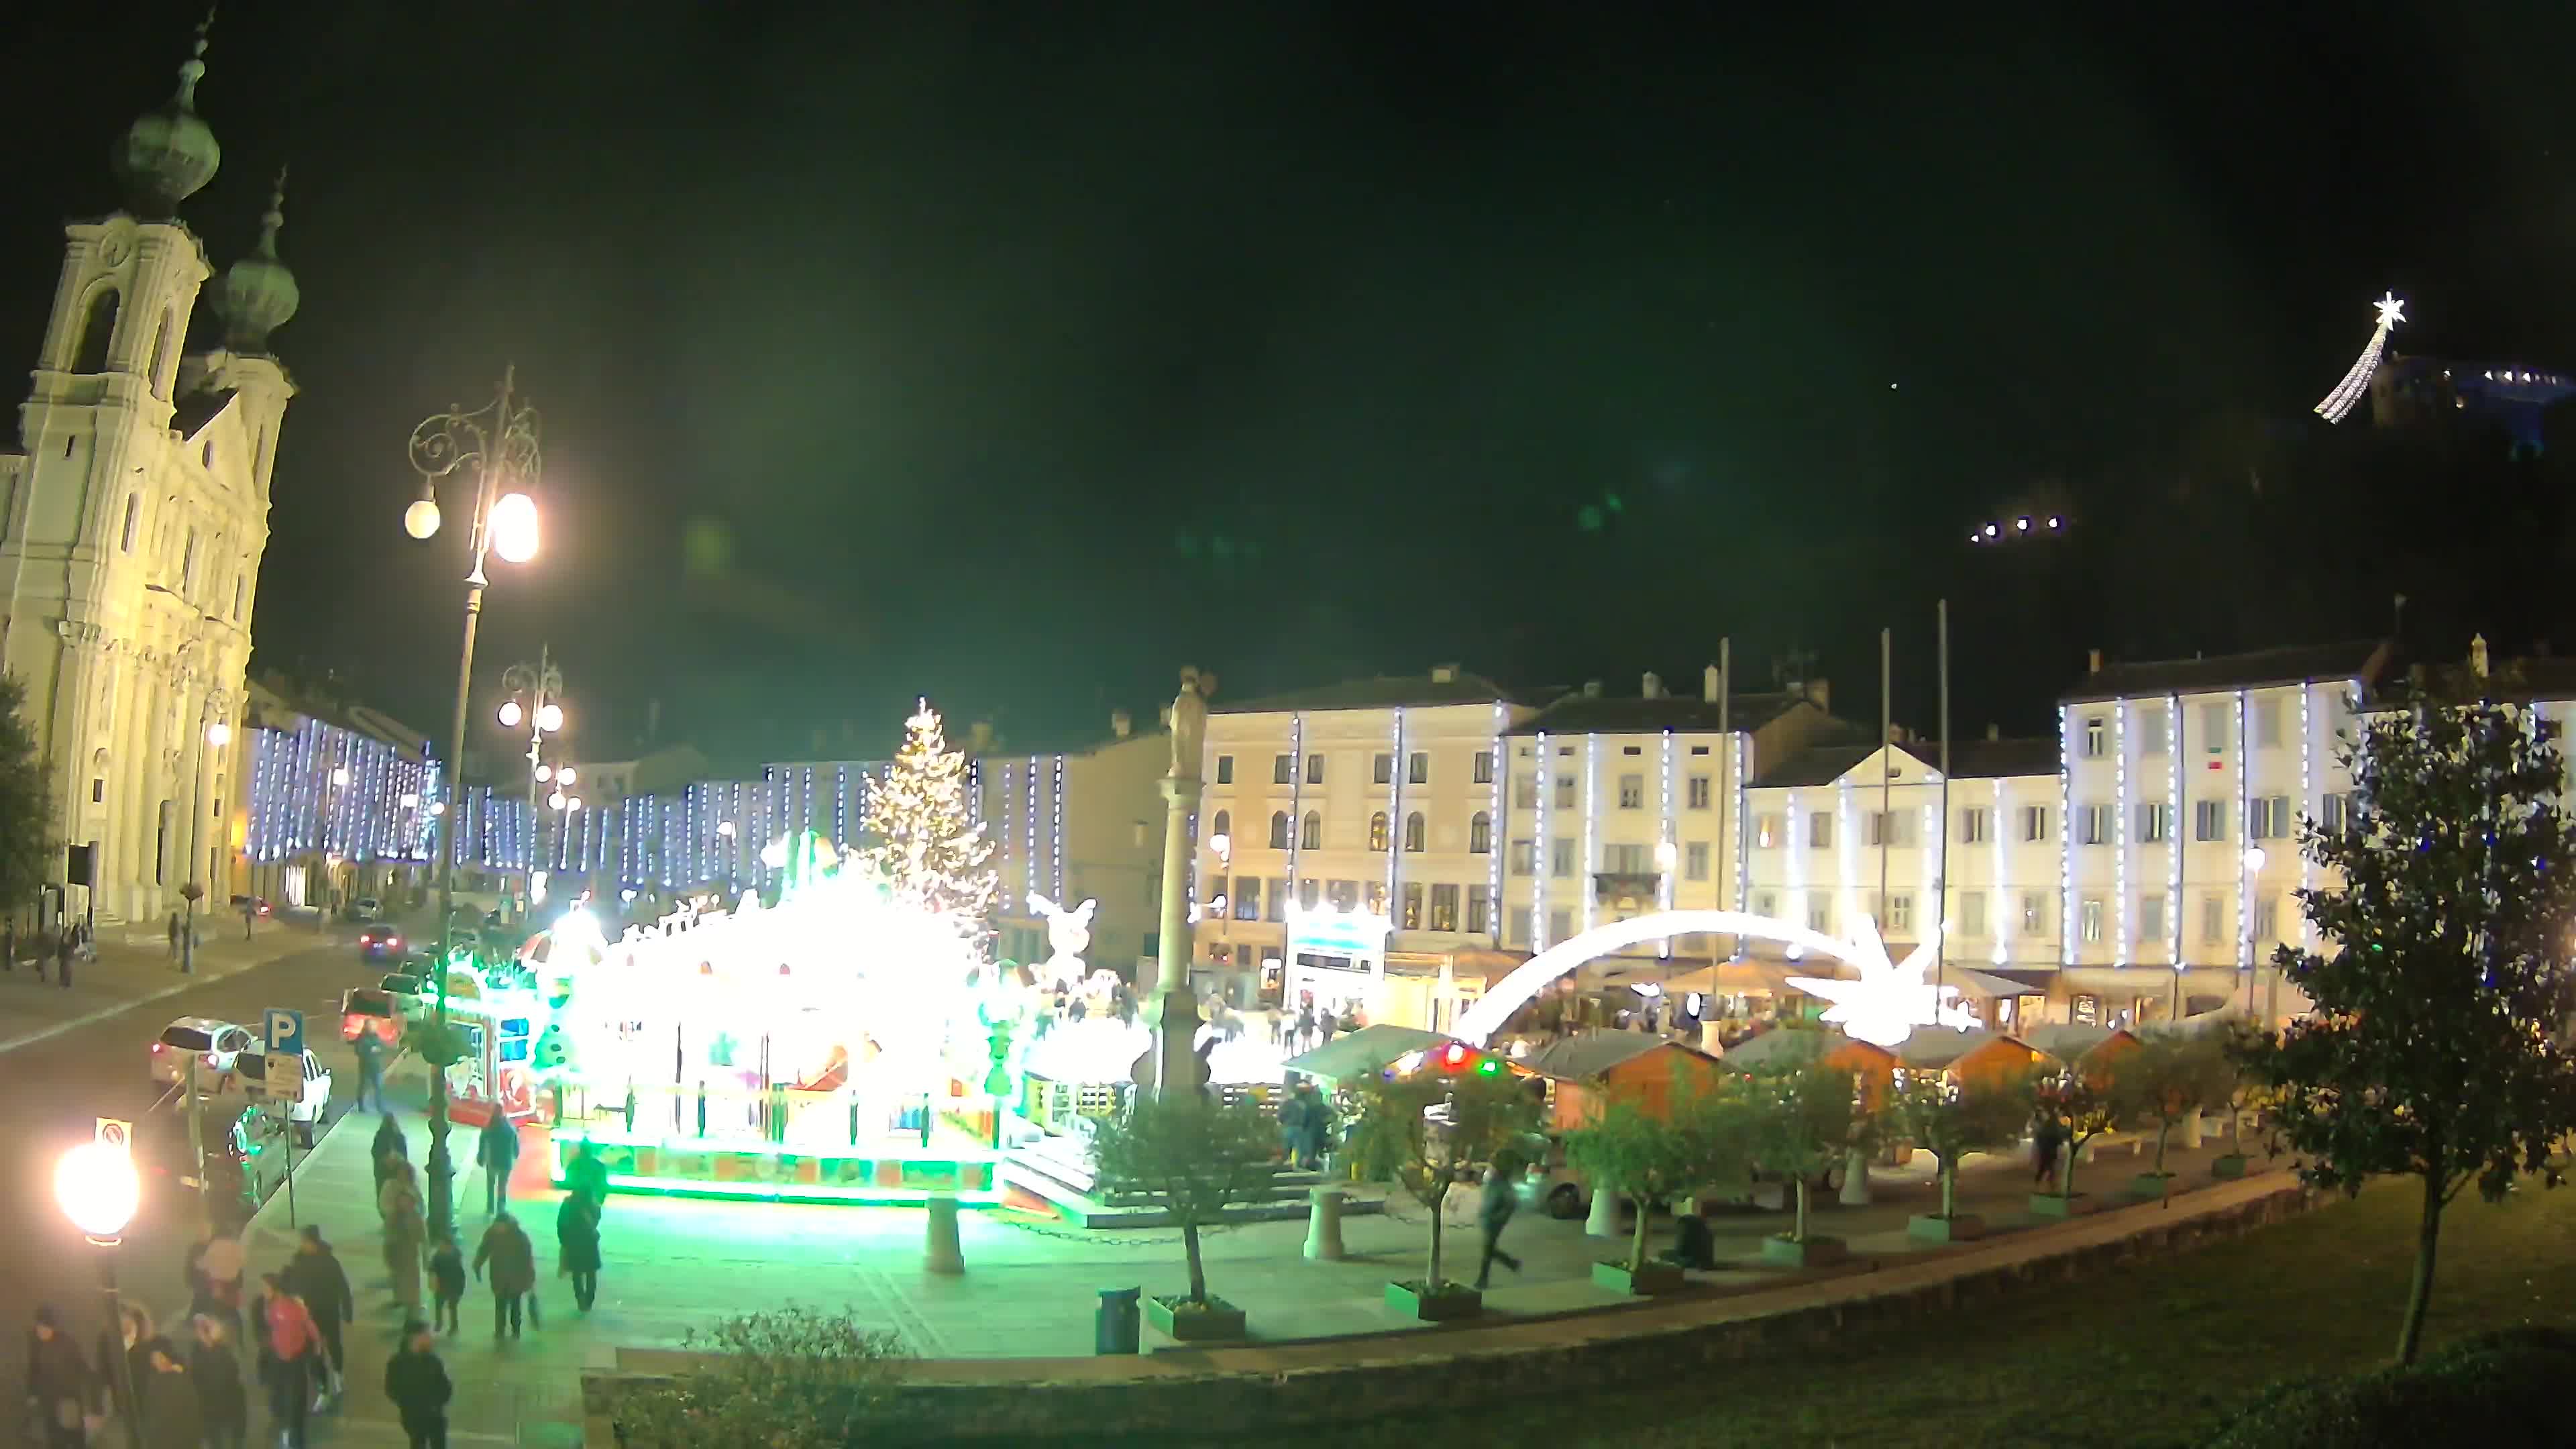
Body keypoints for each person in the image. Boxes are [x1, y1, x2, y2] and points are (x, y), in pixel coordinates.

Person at [280, 1226, 353, 1402]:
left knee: (333, 1346)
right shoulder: (299, 1262)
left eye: (305, 1241)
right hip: (309, 1314)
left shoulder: (329, 1262)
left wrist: (347, 1310)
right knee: (315, 1351)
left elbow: (342, 1287)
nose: (303, 1245)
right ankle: (324, 1387)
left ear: (313, 1242)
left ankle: (337, 1375)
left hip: (328, 1311)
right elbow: (293, 1286)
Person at [257, 1271, 319, 1448]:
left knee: (292, 1399)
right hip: (282, 1358)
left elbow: (308, 1326)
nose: (263, 1291)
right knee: (284, 1397)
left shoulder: (288, 1307)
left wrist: (316, 1343)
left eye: (265, 1288)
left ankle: (292, 1435)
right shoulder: (271, 1306)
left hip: (291, 1359)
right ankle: (288, 1433)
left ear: (276, 1289)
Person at [25, 1305, 93, 1449]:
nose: (40, 1331)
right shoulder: (36, 1345)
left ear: (52, 1327)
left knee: (74, 1438)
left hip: (68, 1401)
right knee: (55, 1439)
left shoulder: (68, 1344)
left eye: (43, 1327)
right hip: (49, 1400)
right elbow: (34, 1370)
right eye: (38, 1327)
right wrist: (32, 1393)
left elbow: (82, 1369)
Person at [384, 1320, 452, 1449]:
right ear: (415, 1338)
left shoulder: (433, 1361)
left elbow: (446, 1388)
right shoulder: (399, 1363)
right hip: (417, 1416)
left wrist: (437, 1404)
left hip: (431, 1415)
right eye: (427, 1335)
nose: (431, 1339)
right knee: (419, 1442)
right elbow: (391, 1389)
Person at [472, 1212, 538, 1340]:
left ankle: (515, 1330)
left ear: (507, 1225)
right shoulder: (492, 1234)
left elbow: (528, 1259)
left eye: (500, 1226)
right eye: (497, 1226)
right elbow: (483, 1250)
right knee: (500, 1306)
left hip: (516, 1278)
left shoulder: (520, 1237)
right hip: (499, 1277)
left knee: (515, 1306)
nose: (498, 1229)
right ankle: (500, 1331)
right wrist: (477, 1265)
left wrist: (530, 1278)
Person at [189, 1315, 249, 1449]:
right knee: (215, 1438)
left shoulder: (225, 1352)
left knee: (228, 1438)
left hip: (225, 1403)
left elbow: (231, 1377)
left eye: (203, 1330)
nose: (199, 1334)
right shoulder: (197, 1350)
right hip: (210, 1404)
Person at [139, 1338, 203, 1449]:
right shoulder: (152, 1380)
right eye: (153, 1358)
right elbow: (149, 1410)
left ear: (167, 1357)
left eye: (159, 1357)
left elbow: (191, 1410)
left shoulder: (180, 1379)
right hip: (160, 1437)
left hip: (180, 1436)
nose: (156, 1361)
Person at [1472, 1161, 1523, 1290]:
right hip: (1487, 1220)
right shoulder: (1492, 1183)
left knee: (1487, 1250)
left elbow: (1512, 1204)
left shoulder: (1503, 1186)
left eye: (1493, 1169)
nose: (1490, 1171)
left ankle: (1483, 1279)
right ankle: (1512, 1263)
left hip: (1494, 1222)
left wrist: (1498, 1217)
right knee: (1489, 1249)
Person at [384, 1172, 427, 1319]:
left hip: (411, 1255)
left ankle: (412, 1309)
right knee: (398, 1280)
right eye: (403, 1201)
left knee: (412, 1284)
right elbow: (388, 1237)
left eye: (408, 1201)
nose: (405, 1204)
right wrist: (388, 1254)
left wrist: (426, 1258)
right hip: (397, 1254)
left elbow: (423, 1238)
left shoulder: (416, 1218)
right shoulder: (393, 1217)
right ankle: (400, 1300)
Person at [555, 1192, 602, 1312]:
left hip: (574, 1242)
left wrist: (563, 1240)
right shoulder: (593, 1203)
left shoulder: (568, 1203)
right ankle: (589, 1300)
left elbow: (561, 1223)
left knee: (577, 1272)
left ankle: (580, 1298)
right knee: (591, 1273)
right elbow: (597, 1218)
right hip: (590, 1242)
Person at [476, 1115, 520, 1216]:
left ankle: (490, 1207)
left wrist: (481, 1158)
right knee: (502, 1186)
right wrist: (516, 1153)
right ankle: (501, 1208)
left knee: (491, 1184)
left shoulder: (488, 1128)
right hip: (506, 1163)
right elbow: (516, 1145)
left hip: (493, 1162)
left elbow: (482, 1144)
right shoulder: (510, 1129)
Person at [426, 1236, 466, 1338]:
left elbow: (460, 1274)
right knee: (440, 1306)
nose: (441, 1247)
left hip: (451, 1286)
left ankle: (452, 1326)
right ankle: (441, 1324)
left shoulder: (452, 1256)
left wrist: (461, 1288)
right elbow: (432, 1268)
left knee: (451, 1307)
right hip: (443, 1286)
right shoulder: (439, 1256)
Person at [563, 1141, 608, 1212]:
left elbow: (568, 1182)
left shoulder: (574, 1164)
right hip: (593, 1201)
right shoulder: (599, 1166)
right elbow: (603, 1185)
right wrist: (599, 1200)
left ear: (580, 1149)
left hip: (578, 1201)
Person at [372, 1114, 409, 1195]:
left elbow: (404, 1156)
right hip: (384, 1170)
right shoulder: (380, 1136)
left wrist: (397, 1159)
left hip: (396, 1170)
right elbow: (375, 1152)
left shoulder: (399, 1137)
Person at [353, 1028, 386, 1114]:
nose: (373, 1027)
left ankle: (380, 1107)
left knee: (379, 1087)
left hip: (376, 1067)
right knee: (364, 1087)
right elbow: (358, 1051)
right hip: (365, 1067)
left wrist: (379, 1050)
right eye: (371, 1025)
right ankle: (361, 1106)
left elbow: (382, 1049)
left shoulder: (377, 1037)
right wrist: (370, 1050)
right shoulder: (362, 1039)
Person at [2033, 1109, 2065, 1188]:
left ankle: (2045, 1181)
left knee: (2045, 1166)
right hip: (2050, 1149)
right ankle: (2049, 1182)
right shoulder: (2054, 1127)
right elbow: (2058, 1138)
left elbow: (2040, 1137)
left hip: (2045, 1149)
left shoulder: (2046, 1126)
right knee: (2049, 1166)